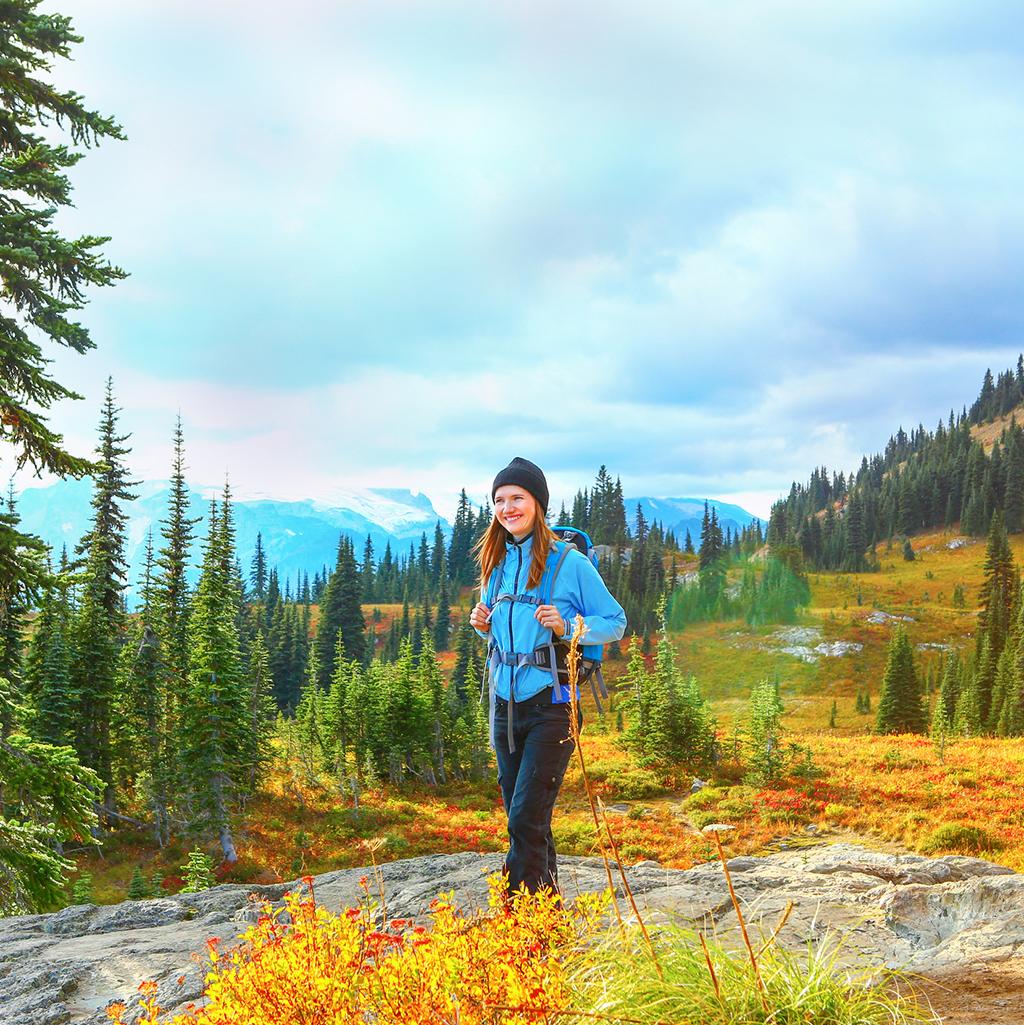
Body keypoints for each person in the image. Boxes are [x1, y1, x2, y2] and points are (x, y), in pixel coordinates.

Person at [469, 456, 627, 900]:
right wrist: (483, 622)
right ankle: (545, 919)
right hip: (503, 702)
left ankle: (517, 920)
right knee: (527, 819)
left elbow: (615, 621)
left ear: (537, 503)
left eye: (517, 497)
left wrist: (569, 623)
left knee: (525, 819)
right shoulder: (495, 562)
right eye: (499, 500)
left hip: (553, 704)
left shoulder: (568, 562)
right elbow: (502, 629)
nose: (507, 507)